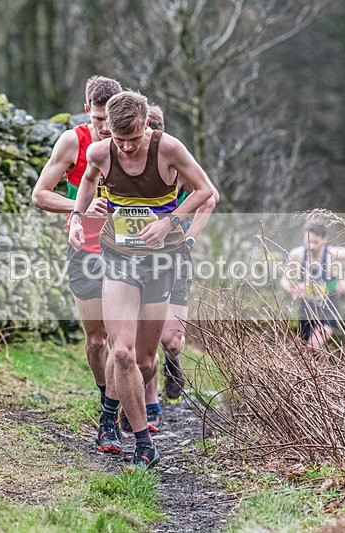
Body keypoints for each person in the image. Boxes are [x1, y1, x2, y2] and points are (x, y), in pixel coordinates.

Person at [69, 90, 214, 470]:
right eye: (120, 140)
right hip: (119, 260)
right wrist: (77, 218)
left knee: (146, 362)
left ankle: (115, 408)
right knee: (121, 352)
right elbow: (87, 182)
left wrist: (169, 221)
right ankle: (143, 443)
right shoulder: (100, 152)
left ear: (146, 124)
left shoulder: (169, 149)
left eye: (133, 139)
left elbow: (205, 191)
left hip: (160, 264)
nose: (127, 147)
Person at [31, 75, 123, 455]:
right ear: (87, 111)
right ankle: (106, 398)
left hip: (125, 252)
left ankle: (109, 418)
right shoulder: (73, 142)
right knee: (96, 339)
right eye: (98, 119)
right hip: (85, 250)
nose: (105, 127)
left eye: (110, 119)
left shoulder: (131, 141)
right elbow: (40, 194)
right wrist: (80, 208)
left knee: (121, 341)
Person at [118, 104, 219, 434]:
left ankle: (172, 362)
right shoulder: (122, 161)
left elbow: (209, 197)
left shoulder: (171, 158)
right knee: (136, 342)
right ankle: (149, 404)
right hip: (133, 258)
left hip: (173, 255)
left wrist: (188, 238)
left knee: (171, 340)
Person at [279, 220, 345, 350]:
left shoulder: (332, 253)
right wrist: (293, 289)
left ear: (325, 239)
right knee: (307, 351)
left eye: (315, 242)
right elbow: (284, 280)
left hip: (328, 310)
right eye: (308, 241)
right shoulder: (297, 254)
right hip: (306, 310)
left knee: (312, 347)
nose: (311, 246)